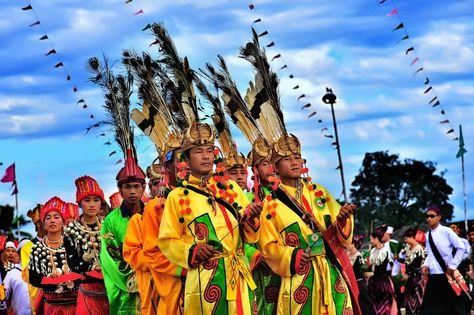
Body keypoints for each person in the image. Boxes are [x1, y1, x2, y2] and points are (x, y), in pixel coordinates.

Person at [158, 121, 262, 314]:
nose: (205, 156)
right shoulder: (178, 196)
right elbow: (166, 240)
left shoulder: (230, 189)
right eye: (198, 151)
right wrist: (192, 250)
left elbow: (249, 235)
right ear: (186, 160)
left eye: (209, 150)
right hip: (204, 279)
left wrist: (252, 218)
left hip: (238, 274)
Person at [258, 133, 360, 315]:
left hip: (330, 270)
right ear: (276, 167)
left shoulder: (319, 192)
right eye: (287, 159)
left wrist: (343, 219)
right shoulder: (270, 204)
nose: (294, 162)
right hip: (299, 275)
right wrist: (292, 255)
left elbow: (339, 228)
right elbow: (267, 246)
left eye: (297, 157)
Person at [100, 151, 146, 315]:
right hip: (126, 292)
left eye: (136, 186)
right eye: (127, 187)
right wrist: (140, 273)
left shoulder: (155, 214)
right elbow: (110, 258)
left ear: (144, 187)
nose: (132, 191)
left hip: (156, 283)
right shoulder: (111, 221)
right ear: (119, 189)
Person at [64, 175, 109, 314]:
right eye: (87, 200)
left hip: (111, 288)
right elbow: (73, 264)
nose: (92, 204)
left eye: (96, 200)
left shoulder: (108, 225)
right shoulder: (71, 231)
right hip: (88, 290)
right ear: (79, 203)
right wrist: (93, 267)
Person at [28, 197, 82, 315]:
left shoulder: (73, 243)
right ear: (43, 223)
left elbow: (82, 269)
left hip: (76, 305)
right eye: (48, 218)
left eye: (56, 217)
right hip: (51, 306)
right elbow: (33, 279)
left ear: (63, 222)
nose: (52, 220)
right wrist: (49, 279)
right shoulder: (37, 248)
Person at [420, 205, 468, 315]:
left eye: (432, 216)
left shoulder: (447, 231)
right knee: (430, 306)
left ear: (439, 217)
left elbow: (461, 247)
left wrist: (453, 266)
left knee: (453, 305)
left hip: (446, 273)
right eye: (427, 216)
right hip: (433, 274)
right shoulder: (428, 235)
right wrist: (425, 265)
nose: (429, 219)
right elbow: (430, 254)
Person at [366, 225, 397, 315]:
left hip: (382, 284)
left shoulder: (385, 251)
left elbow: (381, 269)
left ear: (376, 239)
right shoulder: (373, 251)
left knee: (383, 309)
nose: (371, 241)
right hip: (373, 283)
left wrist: (372, 273)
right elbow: (371, 266)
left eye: (372, 239)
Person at [20, 204, 44, 315]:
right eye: (47, 218)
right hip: (39, 298)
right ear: (38, 223)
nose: (52, 221)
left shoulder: (61, 242)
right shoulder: (27, 248)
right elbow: (27, 275)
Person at [346, 235, 376, 315]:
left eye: (349, 243)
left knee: (362, 304)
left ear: (354, 244)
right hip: (349, 283)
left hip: (357, 283)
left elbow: (357, 271)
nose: (346, 244)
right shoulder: (347, 254)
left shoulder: (358, 256)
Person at [400, 227, 425, 315]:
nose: (405, 240)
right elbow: (404, 260)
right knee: (408, 299)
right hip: (408, 278)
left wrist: (408, 274)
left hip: (416, 278)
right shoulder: (408, 247)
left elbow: (416, 264)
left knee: (416, 299)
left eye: (406, 238)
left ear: (412, 237)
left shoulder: (418, 248)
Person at [1, 249, 31, 315]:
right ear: (19, 255)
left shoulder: (39, 272)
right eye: (25, 253)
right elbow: (4, 294)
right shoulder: (12, 272)